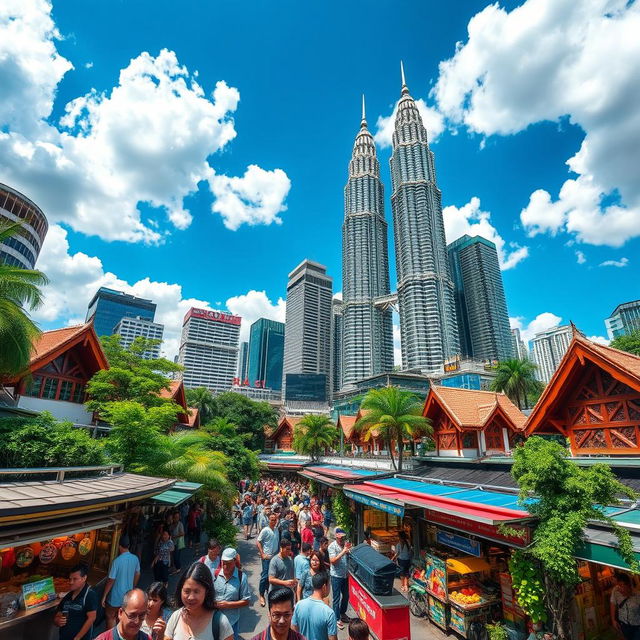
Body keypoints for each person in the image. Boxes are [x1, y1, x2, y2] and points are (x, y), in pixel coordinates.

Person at [164, 562, 234, 640]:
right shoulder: (175, 617)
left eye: (196, 591)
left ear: (206, 591)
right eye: (187, 591)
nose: (191, 597)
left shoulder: (220, 622)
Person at [101, 535, 141, 630]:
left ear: (119, 546)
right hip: (128, 596)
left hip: (115, 596)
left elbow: (111, 580)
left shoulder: (117, 561)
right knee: (122, 617)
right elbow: (138, 573)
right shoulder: (135, 558)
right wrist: (133, 586)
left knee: (111, 616)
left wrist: (104, 595)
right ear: (129, 546)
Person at [212, 548, 251, 640]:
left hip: (232, 622)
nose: (225, 566)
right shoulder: (215, 574)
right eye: (223, 563)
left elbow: (246, 601)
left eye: (228, 563)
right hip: (214, 620)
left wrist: (227, 605)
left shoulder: (242, 577)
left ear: (234, 561)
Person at [53, 564, 97, 640]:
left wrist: (78, 637)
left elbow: (92, 618)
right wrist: (57, 620)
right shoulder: (68, 596)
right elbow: (58, 615)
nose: (71, 582)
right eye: (70, 579)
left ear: (84, 578)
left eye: (75, 579)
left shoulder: (89, 595)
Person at [292, 572, 336, 640]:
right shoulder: (329, 613)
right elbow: (332, 638)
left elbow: (294, 630)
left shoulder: (299, 605)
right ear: (324, 587)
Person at [328, 529, 352, 630]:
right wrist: (343, 552)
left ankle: (342, 613)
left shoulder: (345, 545)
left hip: (345, 575)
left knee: (346, 596)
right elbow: (332, 561)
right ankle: (336, 618)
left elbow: (347, 558)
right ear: (336, 537)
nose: (342, 539)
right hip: (336, 576)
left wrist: (348, 552)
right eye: (341, 537)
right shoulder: (332, 546)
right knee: (336, 598)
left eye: (343, 537)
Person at [257, 513, 281, 607]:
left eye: (275, 520)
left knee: (273, 576)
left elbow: (278, 543)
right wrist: (262, 554)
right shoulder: (265, 530)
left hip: (275, 557)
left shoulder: (276, 530)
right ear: (268, 520)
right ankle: (261, 594)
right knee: (265, 576)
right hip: (267, 557)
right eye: (271, 519)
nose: (273, 521)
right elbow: (258, 542)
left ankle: (270, 592)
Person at [610, 572, 640, 639]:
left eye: (621, 585)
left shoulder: (637, 594)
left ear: (628, 585)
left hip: (637, 626)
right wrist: (613, 620)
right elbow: (612, 604)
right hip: (623, 625)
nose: (619, 588)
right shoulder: (615, 591)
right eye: (618, 585)